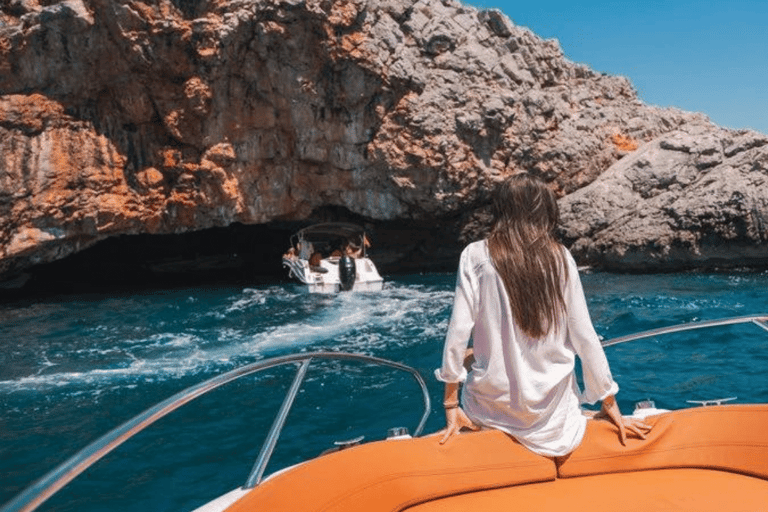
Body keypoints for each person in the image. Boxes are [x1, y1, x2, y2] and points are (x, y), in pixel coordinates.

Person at [435, 173, 651, 457]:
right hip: (556, 419)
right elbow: (584, 336)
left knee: (472, 356)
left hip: (490, 411)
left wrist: (452, 406)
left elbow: (458, 333)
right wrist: (608, 402)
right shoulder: (560, 256)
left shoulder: (475, 255)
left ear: (500, 210)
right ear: (545, 210)